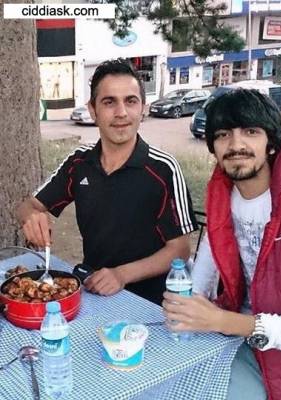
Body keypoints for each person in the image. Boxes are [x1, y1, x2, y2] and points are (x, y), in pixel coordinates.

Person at [162, 89, 281, 399]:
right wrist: (190, 305)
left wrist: (225, 321)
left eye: (250, 131)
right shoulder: (223, 194)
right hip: (234, 336)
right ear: (213, 147)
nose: (236, 145)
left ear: (271, 143)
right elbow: (204, 274)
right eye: (223, 135)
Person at [17, 58, 197, 305]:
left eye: (130, 101)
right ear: (93, 110)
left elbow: (180, 249)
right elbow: (28, 206)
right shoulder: (79, 162)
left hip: (149, 302)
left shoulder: (163, 168)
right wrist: (31, 217)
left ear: (143, 108)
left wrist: (121, 275)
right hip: (93, 291)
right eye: (109, 102)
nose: (121, 113)